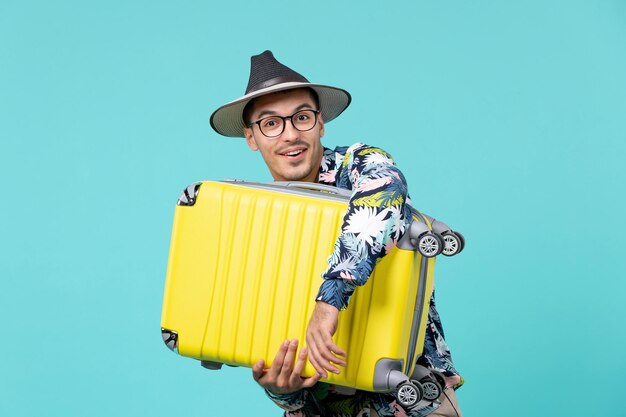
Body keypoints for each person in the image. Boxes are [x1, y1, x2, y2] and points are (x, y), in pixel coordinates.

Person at [209, 50, 463, 417]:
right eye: (270, 124)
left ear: (321, 123)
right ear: (251, 137)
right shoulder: (253, 224)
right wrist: (282, 391)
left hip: (412, 399)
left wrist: (329, 301)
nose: (290, 134)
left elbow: (384, 194)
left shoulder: (363, 165)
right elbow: (260, 330)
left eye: (302, 117)